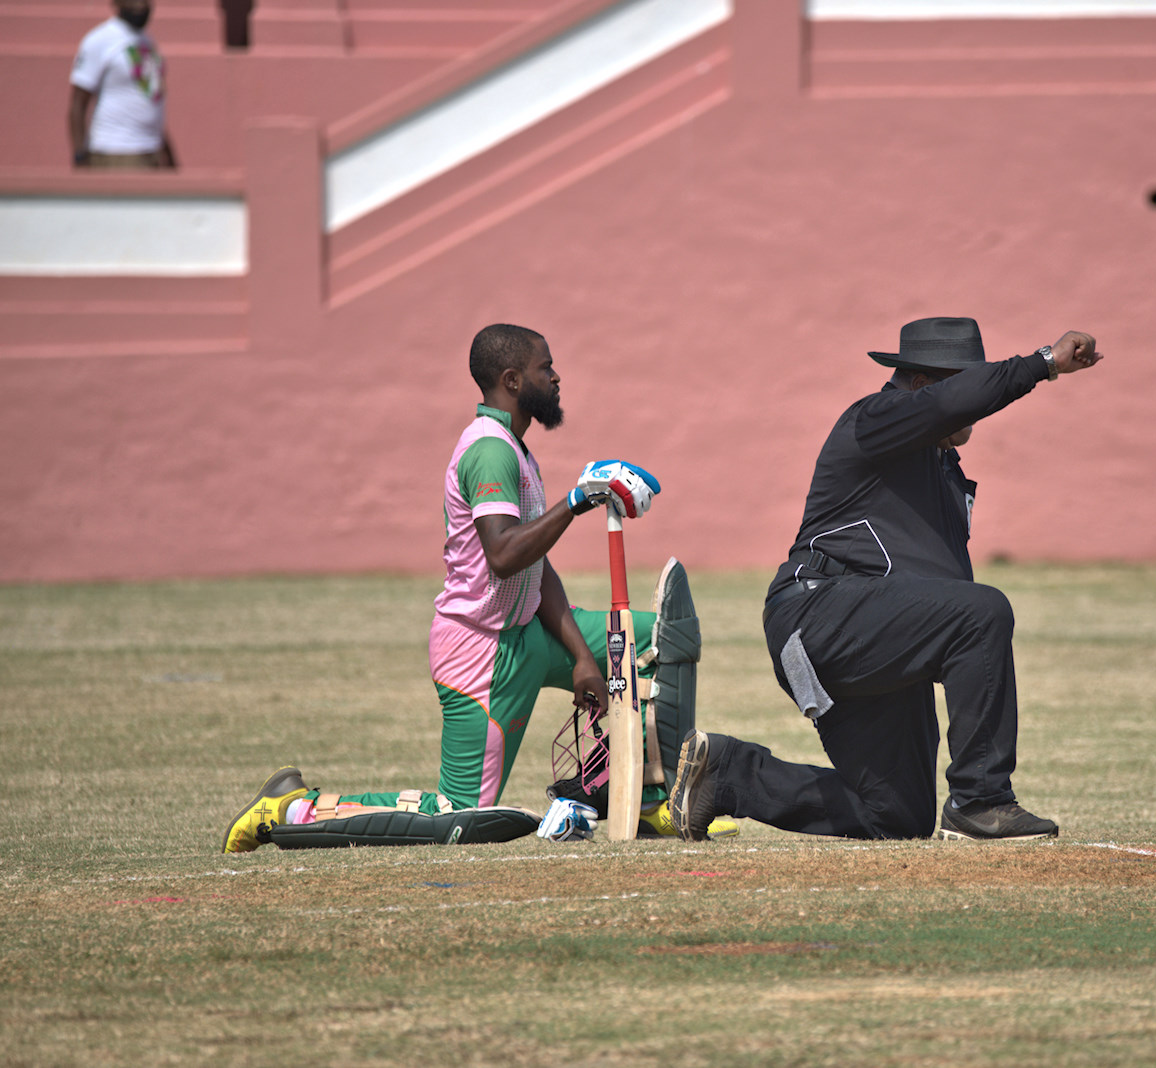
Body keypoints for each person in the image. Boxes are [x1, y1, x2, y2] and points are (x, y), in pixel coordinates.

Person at [223, 324, 712, 851]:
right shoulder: (489, 450)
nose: (556, 375)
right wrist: (576, 501)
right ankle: (291, 809)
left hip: (529, 635)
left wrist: (582, 655)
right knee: (457, 817)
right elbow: (504, 556)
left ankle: (647, 800)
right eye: (545, 367)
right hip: (479, 653)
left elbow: (535, 567)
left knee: (661, 638)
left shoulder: (517, 451)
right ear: (512, 379)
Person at [669, 316, 1103, 842]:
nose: (974, 404)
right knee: (982, 610)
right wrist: (1043, 364)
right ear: (921, 384)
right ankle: (981, 798)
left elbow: (940, 600)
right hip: (816, 615)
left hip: (874, 642)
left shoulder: (939, 467)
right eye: (963, 382)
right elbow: (949, 405)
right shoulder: (878, 416)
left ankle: (728, 775)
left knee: (898, 817)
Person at [69, 0, 177, 169]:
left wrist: (169, 155)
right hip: (116, 152)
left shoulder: (146, 41)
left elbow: (148, 98)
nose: (140, 7)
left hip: (152, 152)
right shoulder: (99, 40)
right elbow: (78, 104)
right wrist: (80, 155)